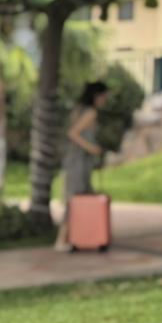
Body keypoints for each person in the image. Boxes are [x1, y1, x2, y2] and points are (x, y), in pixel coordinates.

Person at [55, 80, 110, 251]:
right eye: (104, 96)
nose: (105, 100)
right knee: (75, 199)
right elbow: (73, 133)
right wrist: (92, 148)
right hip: (78, 162)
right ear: (97, 96)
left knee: (82, 197)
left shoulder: (79, 110)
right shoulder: (90, 113)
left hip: (78, 162)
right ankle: (61, 240)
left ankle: (82, 237)